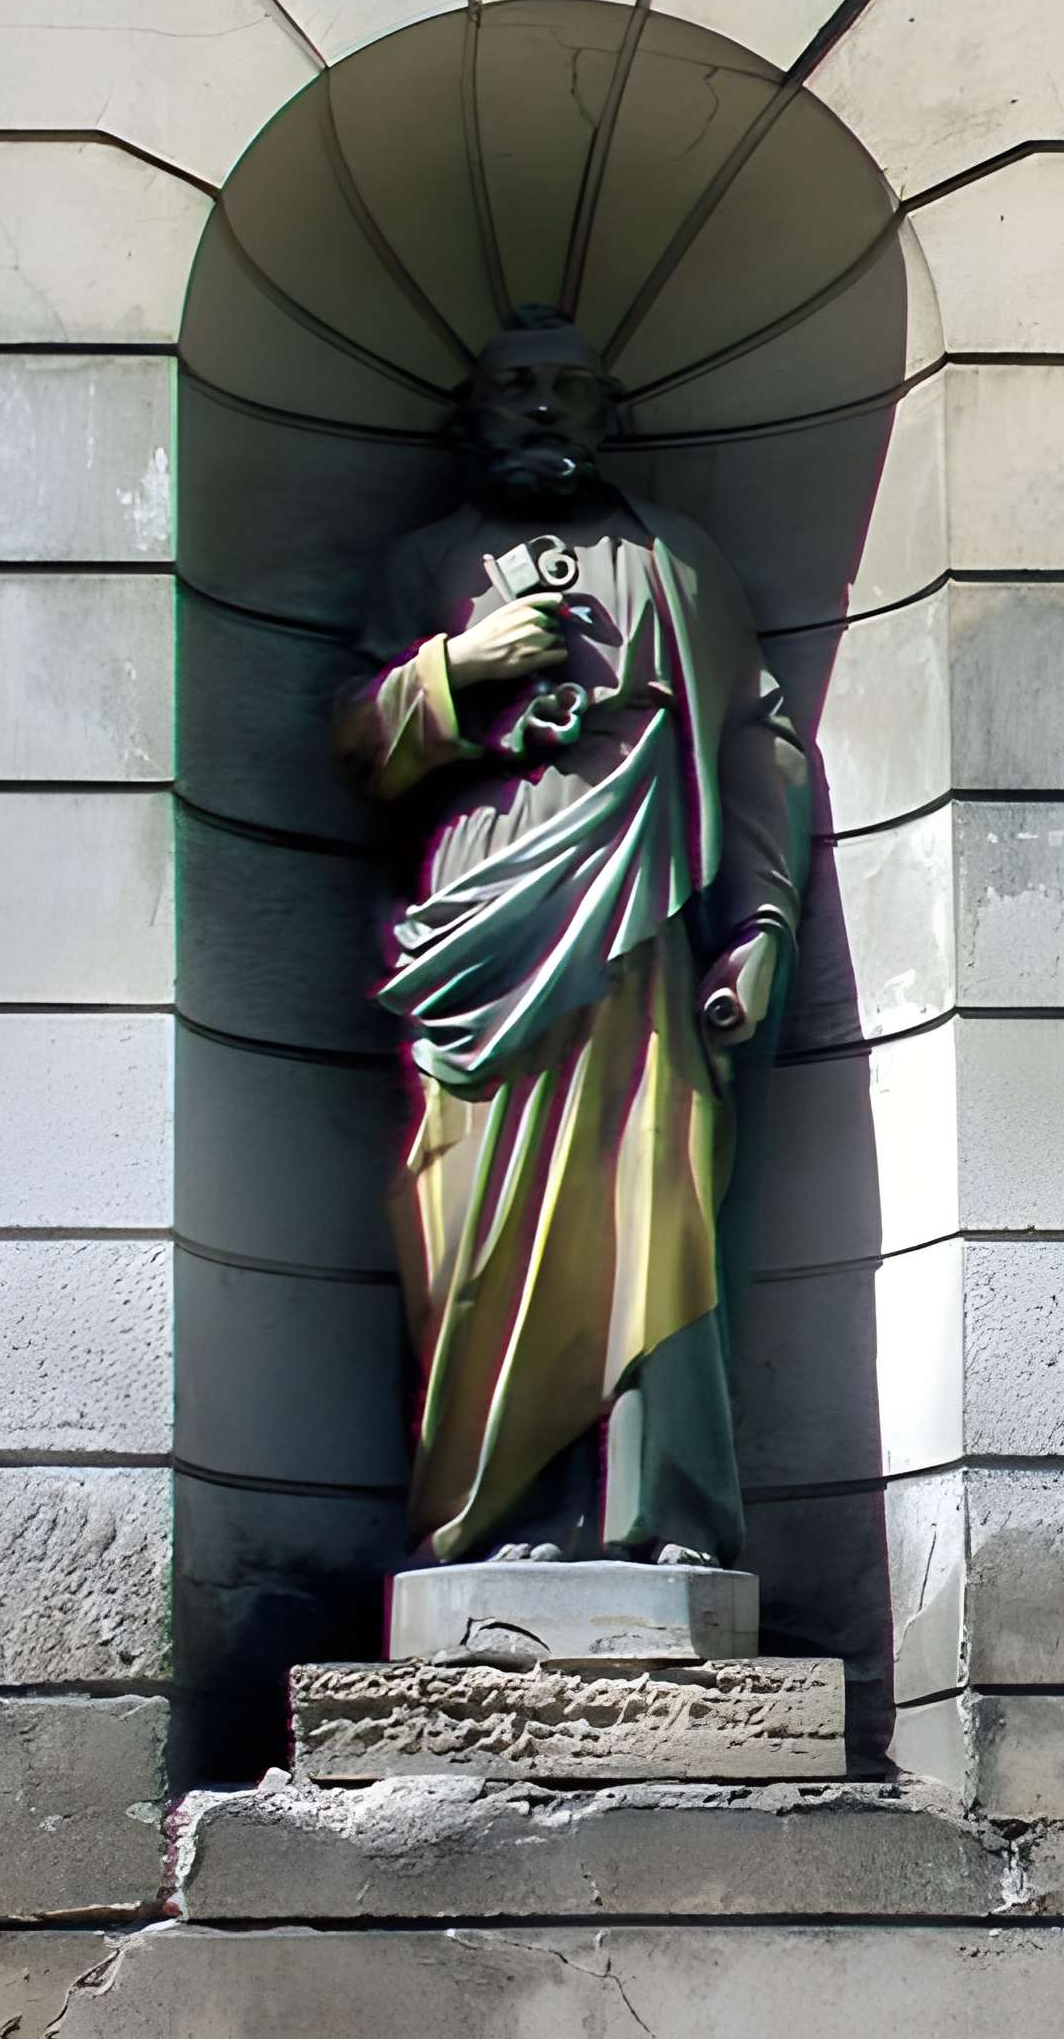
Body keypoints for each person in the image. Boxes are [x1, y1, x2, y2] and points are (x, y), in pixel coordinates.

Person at [338, 306, 807, 1567]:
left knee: (655, 1207)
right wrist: (459, 666)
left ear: (613, 414)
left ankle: (658, 1518)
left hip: (641, 936)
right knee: (477, 1229)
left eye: (569, 387)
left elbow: (753, 743)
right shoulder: (427, 562)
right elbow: (356, 740)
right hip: (483, 938)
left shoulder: (679, 562)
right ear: (471, 418)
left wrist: (761, 921)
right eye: (514, 387)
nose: (542, 406)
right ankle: (492, 1519)